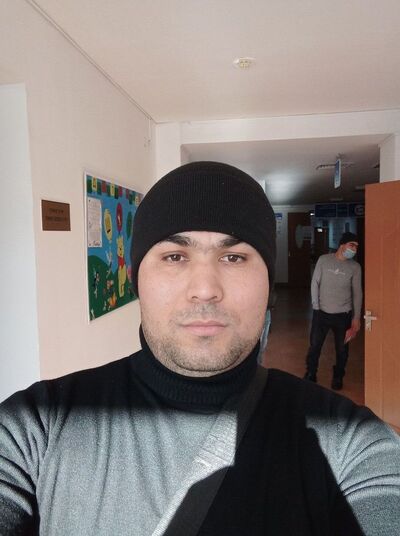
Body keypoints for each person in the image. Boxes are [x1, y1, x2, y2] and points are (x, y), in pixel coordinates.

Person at [0, 162, 399, 535]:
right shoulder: (35, 428)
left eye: (234, 257)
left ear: (268, 283)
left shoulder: (351, 441)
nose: (205, 289)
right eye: (174, 256)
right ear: (136, 280)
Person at [304, 232, 362, 390]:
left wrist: (356, 317)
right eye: (352, 245)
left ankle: (338, 376)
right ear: (342, 245)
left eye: (356, 247)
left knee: (342, 350)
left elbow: (357, 293)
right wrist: (316, 307)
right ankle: (311, 372)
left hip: (343, 316)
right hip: (321, 314)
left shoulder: (355, 267)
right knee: (315, 346)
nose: (354, 249)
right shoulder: (324, 260)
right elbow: (315, 283)